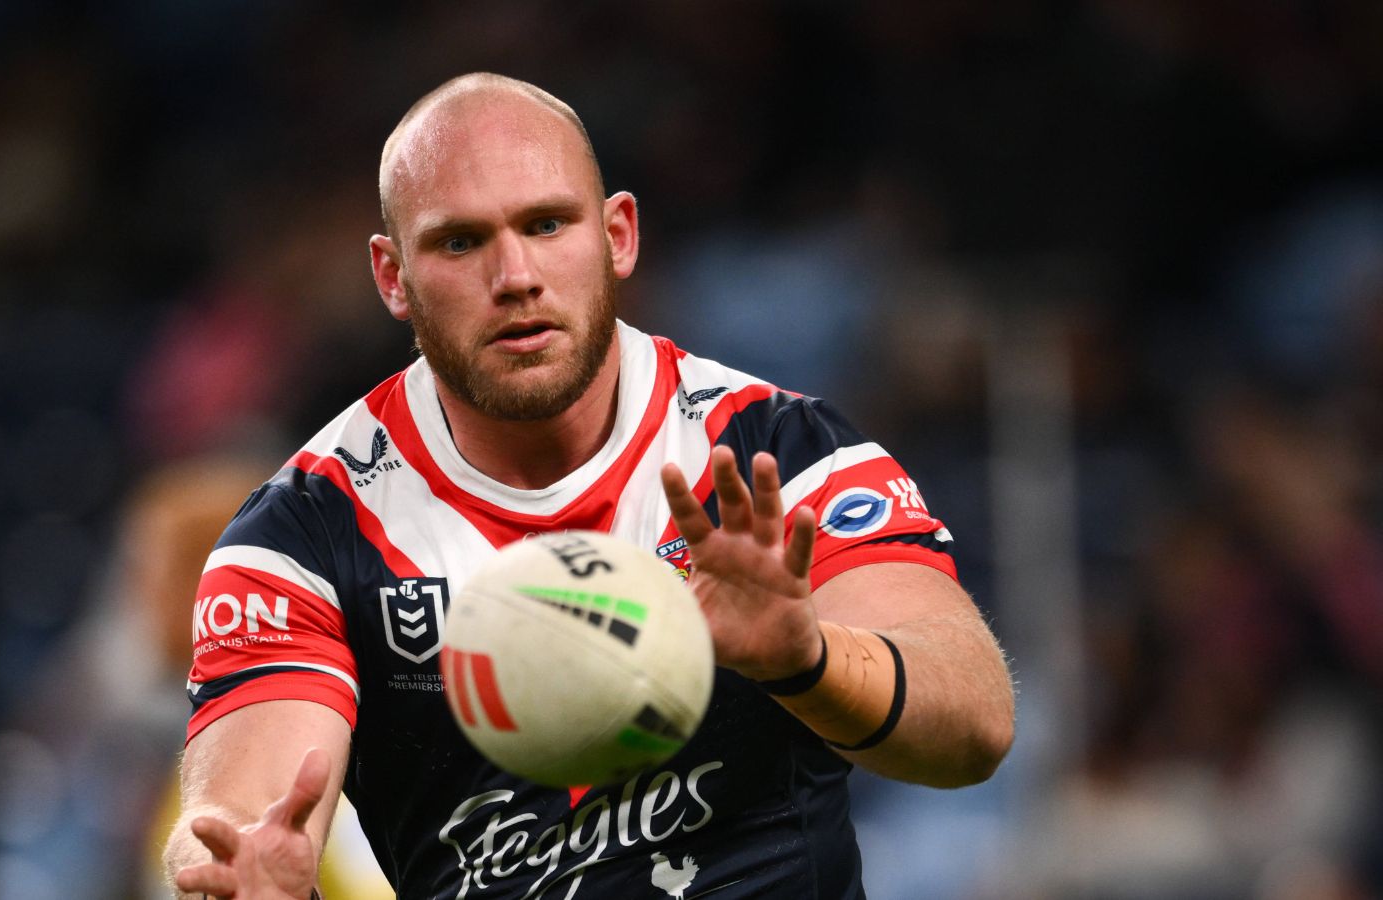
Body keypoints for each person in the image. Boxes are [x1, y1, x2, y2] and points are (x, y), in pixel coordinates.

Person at [165, 72, 1015, 899]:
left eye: (546, 224)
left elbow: (976, 725)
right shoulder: (303, 538)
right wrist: (251, 886)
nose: (515, 277)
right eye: (460, 242)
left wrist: (809, 661)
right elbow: (244, 823)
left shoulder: (774, 452)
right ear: (393, 277)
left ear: (618, 236)